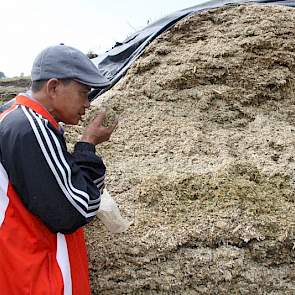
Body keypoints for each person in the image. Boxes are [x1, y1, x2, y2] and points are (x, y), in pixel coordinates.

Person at [0, 44, 117, 294]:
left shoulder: (11, 116)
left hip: (16, 265)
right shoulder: (32, 127)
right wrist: (87, 145)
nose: (87, 104)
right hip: (38, 273)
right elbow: (76, 209)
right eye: (83, 93)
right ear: (53, 87)